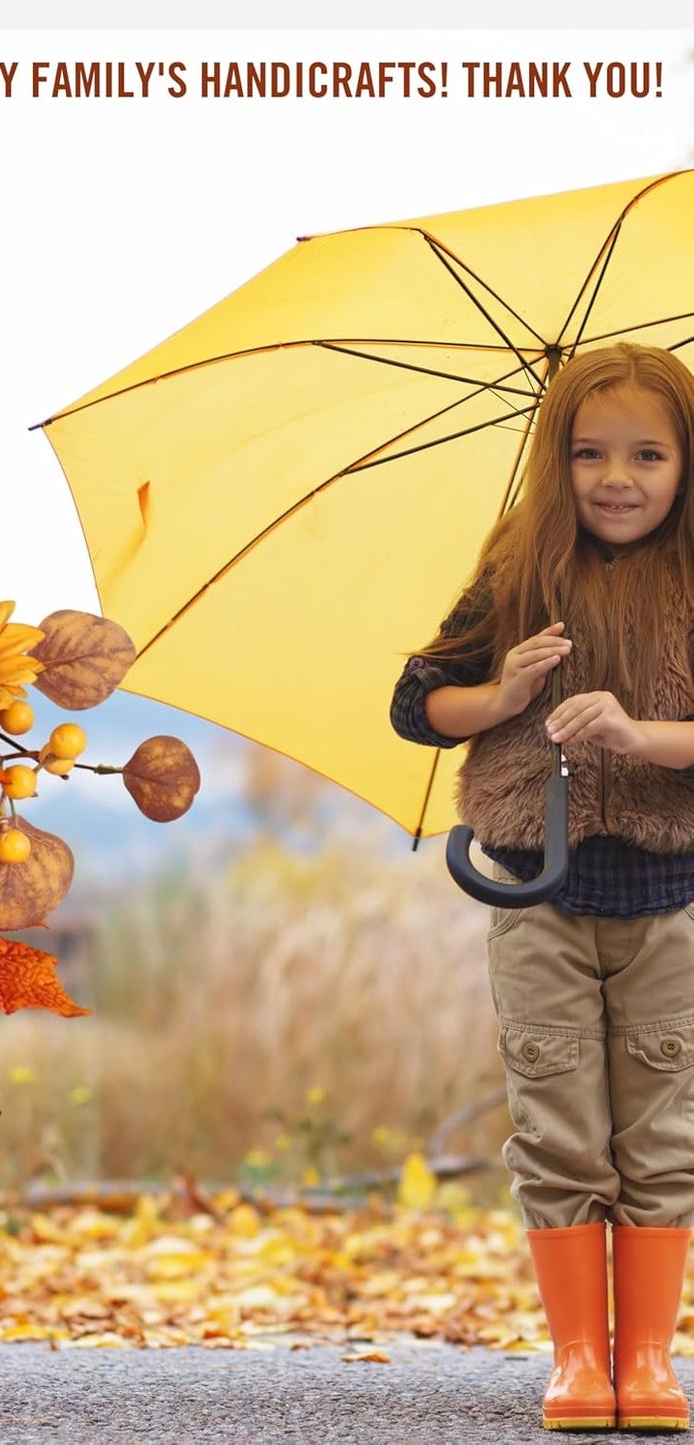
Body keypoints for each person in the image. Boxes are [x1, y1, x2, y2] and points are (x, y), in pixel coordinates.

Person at [391, 342, 694, 1433]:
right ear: (553, 457)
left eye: (647, 454)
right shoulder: (518, 566)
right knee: (557, 1122)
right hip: (536, 891)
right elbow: (416, 703)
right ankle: (577, 1358)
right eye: (588, 452)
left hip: (668, 895)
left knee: (660, 1129)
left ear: (685, 462)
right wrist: (499, 693)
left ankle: (645, 1357)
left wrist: (636, 733)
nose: (616, 477)